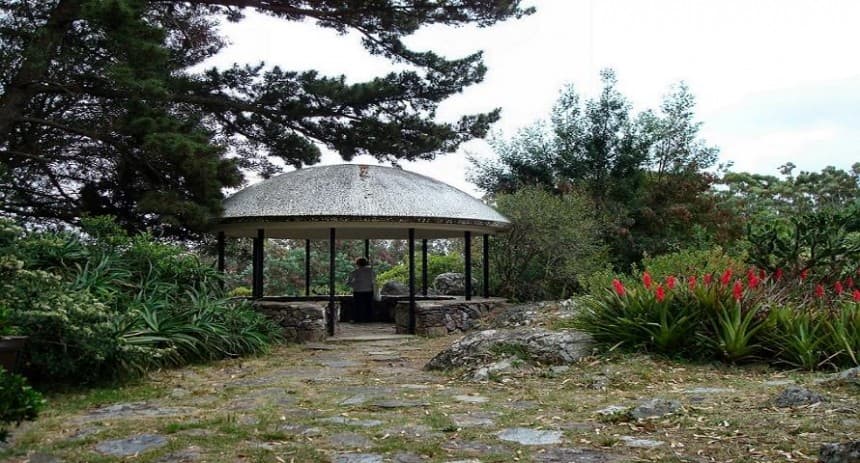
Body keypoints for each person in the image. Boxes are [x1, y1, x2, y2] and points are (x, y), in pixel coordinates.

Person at [347, 257, 375, 322]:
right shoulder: (371, 271)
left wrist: (354, 285)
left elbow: (348, 282)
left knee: (357, 306)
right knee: (368, 306)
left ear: (357, 264)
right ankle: (369, 319)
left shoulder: (355, 272)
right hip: (369, 290)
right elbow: (374, 280)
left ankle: (357, 319)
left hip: (358, 291)